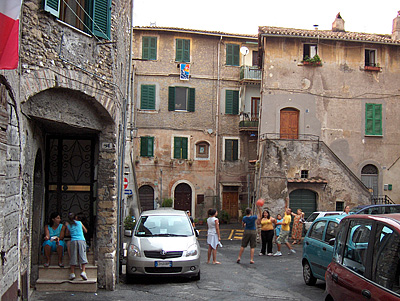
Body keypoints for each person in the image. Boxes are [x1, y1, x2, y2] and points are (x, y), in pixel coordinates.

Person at [66, 212, 88, 280]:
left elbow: (67, 234)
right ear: (75, 217)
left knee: (73, 256)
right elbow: (85, 231)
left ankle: (72, 273)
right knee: (82, 255)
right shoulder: (79, 223)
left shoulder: (69, 225)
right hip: (81, 240)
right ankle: (83, 271)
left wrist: (68, 227)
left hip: (73, 241)